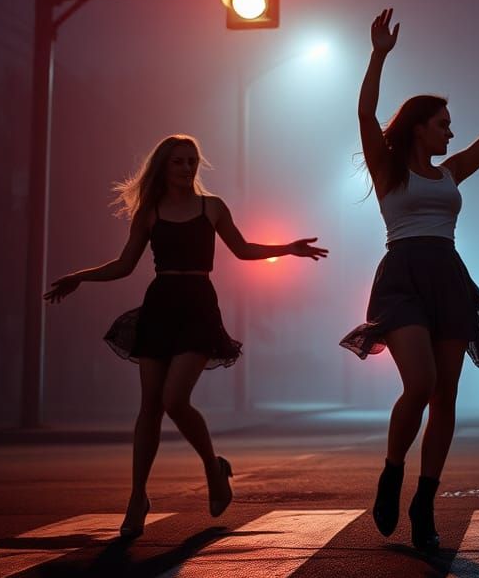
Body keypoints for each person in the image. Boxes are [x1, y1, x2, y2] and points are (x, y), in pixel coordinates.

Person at [340, 9, 479, 551]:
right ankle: (393, 472)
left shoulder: (453, 170)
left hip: (449, 275)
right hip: (402, 277)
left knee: (447, 395)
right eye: (443, 124)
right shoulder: (387, 167)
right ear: (418, 126)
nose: (452, 131)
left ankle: (424, 500)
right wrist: (378, 55)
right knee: (420, 384)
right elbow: (365, 112)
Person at [44, 134, 327, 537]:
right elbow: (125, 265)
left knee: (175, 399)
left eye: (192, 161)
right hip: (160, 305)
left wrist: (289, 248)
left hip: (197, 306)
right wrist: (79, 277)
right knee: (150, 408)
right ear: (164, 166)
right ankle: (138, 497)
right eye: (178, 161)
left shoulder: (211, 207)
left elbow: (243, 249)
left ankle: (213, 467)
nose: (187, 167)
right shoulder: (149, 213)